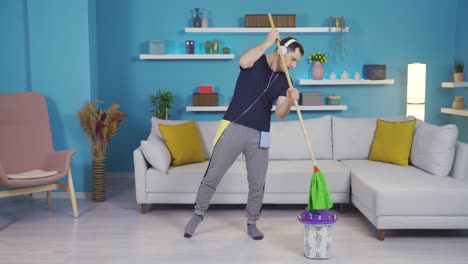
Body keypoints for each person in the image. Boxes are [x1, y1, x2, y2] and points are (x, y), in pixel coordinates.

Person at [184, 29, 304, 240]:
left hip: (260, 134)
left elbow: (279, 114)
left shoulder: (286, 80)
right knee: (213, 175)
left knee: (257, 182)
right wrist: (268, 41)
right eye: (293, 58)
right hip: (234, 126)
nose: (293, 65)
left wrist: (290, 101)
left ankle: (252, 222)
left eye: (296, 62)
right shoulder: (256, 60)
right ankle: (197, 214)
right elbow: (244, 60)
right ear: (282, 49)